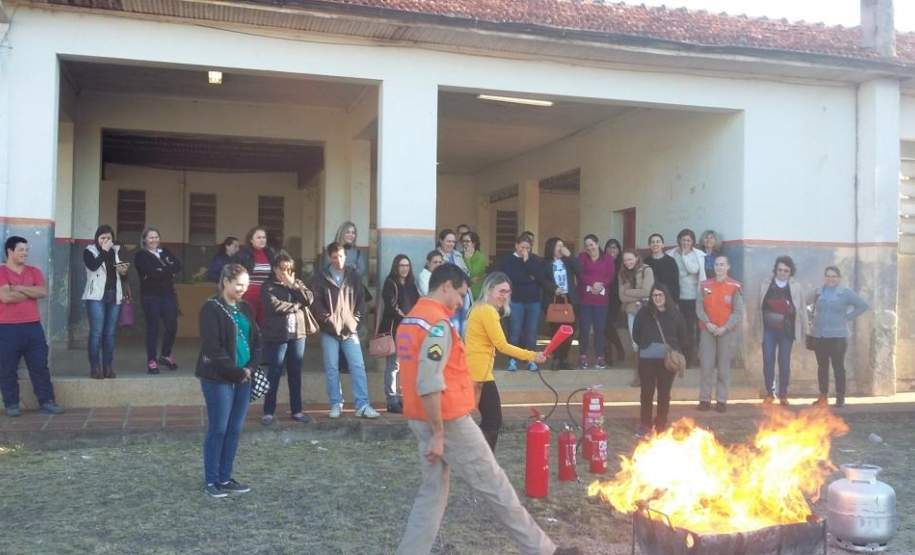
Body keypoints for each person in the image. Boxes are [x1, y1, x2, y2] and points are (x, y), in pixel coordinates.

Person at [395, 264, 563, 555]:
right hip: (446, 422)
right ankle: (544, 551)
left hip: (420, 417)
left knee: (431, 495)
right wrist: (438, 433)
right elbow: (429, 381)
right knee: (497, 487)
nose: (461, 302)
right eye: (460, 295)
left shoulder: (411, 320)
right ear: (445, 286)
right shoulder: (437, 324)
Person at [196, 263, 260, 498]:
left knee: (234, 429)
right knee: (219, 429)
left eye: (246, 285)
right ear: (225, 282)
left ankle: (225, 476)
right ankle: (211, 480)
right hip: (218, 378)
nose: (243, 289)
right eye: (239, 285)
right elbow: (213, 348)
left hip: (244, 377)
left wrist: (250, 368)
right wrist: (236, 372)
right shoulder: (210, 309)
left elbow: (257, 341)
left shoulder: (246, 308)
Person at [467, 272, 546, 450]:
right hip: (479, 374)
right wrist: (532, 355)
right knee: (492, 421)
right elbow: (502, 346)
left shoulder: (481, 308)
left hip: (478, 371)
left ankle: (481, 461)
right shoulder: (487, 310)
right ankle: (483, 463)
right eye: (501, 291)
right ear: (489, 289)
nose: (504, 296)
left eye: (507, 292)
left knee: (487, 421)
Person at [310, 242, 379, 419]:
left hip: (350, 330)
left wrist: (355, 321)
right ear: (329, 258)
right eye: (334, 257)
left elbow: (361, 301)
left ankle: (362, 404)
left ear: (345, 256)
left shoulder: (353, 276)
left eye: (341, 256)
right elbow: (315, 302)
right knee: (332, 367)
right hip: (329, 330)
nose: (338, 260)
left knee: (358, 366)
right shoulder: (320, 277)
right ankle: (335, 403)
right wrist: (327, 319)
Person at [0, 236, 64, 417]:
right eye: (21, 250)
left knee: (40, 366)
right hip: (6, 328)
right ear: (10, 251)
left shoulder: (34, 271)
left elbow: (42, 292)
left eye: (26, 250)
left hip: (33, 326)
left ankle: (47, 401)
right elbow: (5, 298)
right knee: (7, 368)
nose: (25, 253)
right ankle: (12, 404)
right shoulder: (1, 272)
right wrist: (29, 292)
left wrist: (17, 288)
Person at [260, 253, 315, 425]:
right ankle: (268, 411)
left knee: (295, 372)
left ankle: (297, 410)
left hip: (298, 335)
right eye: (282, 269)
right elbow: (273, 305)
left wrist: (293, 286)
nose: (286, 273)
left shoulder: (296, 283)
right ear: (275, 269)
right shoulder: (268, 286)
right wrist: (296, 306)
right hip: (277, 335)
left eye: (289, 269)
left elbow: (309, 299)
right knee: (274, 372)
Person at [808, 266, 869, 408]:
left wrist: (847, 317)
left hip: (838, 337)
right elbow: (805, 304)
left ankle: (840, 397)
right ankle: (823, 397)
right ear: (825, 277)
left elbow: (862, 306)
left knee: (838, 367)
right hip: (819, 335)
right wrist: (810, 316)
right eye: (828, 276)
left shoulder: (845, 293)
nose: (830, 278)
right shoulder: (818, 292)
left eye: (834, 276)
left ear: (839, 278)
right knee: (822, 367)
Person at [631, 284, 687, 436]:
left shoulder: (674, 313)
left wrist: (675, 349)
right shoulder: (644, 313)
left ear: (666, 296)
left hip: (666, 360)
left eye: (660, 295)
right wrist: (645, 344)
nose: (657, 298)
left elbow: (682, 334)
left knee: (664, 393)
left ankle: (661, 423)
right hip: (647, 360)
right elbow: (635, 333)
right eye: (654, 295)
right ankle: (645, 424)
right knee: (646, 393)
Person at [695, 255, 744, 413]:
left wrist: (725, 327)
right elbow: (699, 307)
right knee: (706, 366)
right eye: (716, 264)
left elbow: (738, 312)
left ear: (728, 267)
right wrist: (708, 323)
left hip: (726, 331)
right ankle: (704, 399)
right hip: (707, 330)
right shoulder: (705, 285)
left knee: (723, 368)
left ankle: (721, 400)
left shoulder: (735, 286)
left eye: (722, 264)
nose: (719, 267)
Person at [82, 224, 129, 379]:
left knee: (110, 334)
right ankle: (95, 367)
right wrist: (104, 251)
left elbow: (123, 276)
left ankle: (108, 366)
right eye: (102, 238)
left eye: (108, 238)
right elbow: (93, 266)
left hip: (114, 294)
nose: (105, 241)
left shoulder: (117, 251)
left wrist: (124, 272)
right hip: (96, 296)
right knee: (96, 333)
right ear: (96, 239)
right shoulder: (90, 251)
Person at [758, 255, 807, 405]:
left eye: (786, 270)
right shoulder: (766, 284)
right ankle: (769, 393)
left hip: (787, 330)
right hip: (769, 329)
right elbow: (758, 306)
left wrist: (805, 327)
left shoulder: (797, 287)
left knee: (784, 362)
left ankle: (783, 394)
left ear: (790, 272)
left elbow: (802, 309)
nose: (782, 273)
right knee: (768, 361)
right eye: (780, 270)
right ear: (775, 270)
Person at [134, 226, 181, 374]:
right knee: (153, 328)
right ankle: (152, 360)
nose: (154, 240)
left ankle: (165, 355)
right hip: (150, 296)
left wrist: (161, 271)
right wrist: (168, 271)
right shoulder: (141, 255)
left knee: (172, 325)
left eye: (156, 237)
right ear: (144, 240)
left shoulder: (165, 252)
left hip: (168, 295)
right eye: (151, 237)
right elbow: (151, 273)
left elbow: (178, 266)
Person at [496, 234, 545, 372]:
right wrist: (529, 278)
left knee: (531, 332)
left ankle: (531, 359)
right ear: (516, 245)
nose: (525, 250)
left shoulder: (534, 259)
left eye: (528, 248)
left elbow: (540, 277)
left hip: (533, 301)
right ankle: (512, 360)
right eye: (522, 247)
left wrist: (527, 262)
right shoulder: (508, 259)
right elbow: (511, 277)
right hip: (515, 300)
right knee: (515, 331)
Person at [379, 254, 420, 413]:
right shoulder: (390, 283)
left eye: (407, 266)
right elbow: (391, 306)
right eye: (402, 265)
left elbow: (417, 303)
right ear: (396, 267)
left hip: (410, 330)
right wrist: (405, 317)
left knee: (406, 365)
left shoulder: (411, 284)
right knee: (393, 365)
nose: (404, 269)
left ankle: (403, 398)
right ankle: (392, 400)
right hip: (395, 329)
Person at [576, 234, 615, 369]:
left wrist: (601, 285)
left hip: (601, 300)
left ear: (597, 244)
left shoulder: (608, 258)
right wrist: (592, 284)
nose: (589, 248)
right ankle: (583, 356)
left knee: (600, 329)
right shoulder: (581, 257)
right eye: (587, 245)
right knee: (584, 329)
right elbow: (580, 274)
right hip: (585, 299)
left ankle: (600, 357)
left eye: (592, 244)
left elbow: (610, 276)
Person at [667, 228, 706, 364]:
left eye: (688, 240)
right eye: (683, 240)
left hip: (692, 297)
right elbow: (672, 273)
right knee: (677, 328)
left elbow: (693, 270)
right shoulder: (671, 254)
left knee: (690, 328)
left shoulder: (697, 255)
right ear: (679, 240)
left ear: (692, 242)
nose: (685, 242)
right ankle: (678, 357)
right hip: (676, 296)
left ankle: (690, 358)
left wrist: (684, 256)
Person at [542, 237, 579, 370]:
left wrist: (570, 255)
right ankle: (556, 358)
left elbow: (580, 270)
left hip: (569, 299)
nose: (561, 248)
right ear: (551, 248)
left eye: (562, 245)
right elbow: (542, 280)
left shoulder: (567, 262)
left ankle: (563, 358)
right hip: (553, 300)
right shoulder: (545, 263)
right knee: (556, 331)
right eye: (558, 246)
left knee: (570, 330)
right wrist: (554, 289)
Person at [234, 226, 276, 328]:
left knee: (264, 328)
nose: (262, 240)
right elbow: (236, 275)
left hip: (266, 296)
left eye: (264, 237)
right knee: (248, 326)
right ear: (251, 240)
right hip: (248, 295)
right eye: (259, 237)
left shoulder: (269, 253)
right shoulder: (243, 254)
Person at [618, 249, 655, 354]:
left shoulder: (646, 270)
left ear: (637, 258)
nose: (627, 262)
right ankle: (639, 365)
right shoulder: (622, 273)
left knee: (647, 340)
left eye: (630, 259)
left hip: (646, 310)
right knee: (635, 343)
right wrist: (640, 295)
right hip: (631, 311)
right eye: (625, 260)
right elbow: (622, 297)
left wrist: (628, 291)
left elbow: (647, 292)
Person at [438, 228, 472, 336]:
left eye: (453, 241)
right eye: (448, 241)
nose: (451, 244)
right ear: (441, 241)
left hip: (463, 295)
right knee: (450, 325)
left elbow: (467, 273)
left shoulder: (457, 254)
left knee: (463, 326)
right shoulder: (437, 256)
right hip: (448, 297)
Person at [604, 238, 625, 365]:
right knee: (603, 326)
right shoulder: (602, 262)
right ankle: (610, 353)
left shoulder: (622, 264)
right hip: (602, 297)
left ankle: (615, 349)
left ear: (619, 250)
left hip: (616, 299)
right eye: (610, 247)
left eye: (615, 247)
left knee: (607, 324)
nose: (612, 250)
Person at [643, 233, 680, 302]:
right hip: (651, 299)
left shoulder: (671, 261)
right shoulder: (646, 262)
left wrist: (675, 301)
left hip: (668, 298)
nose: (655, 244)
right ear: (649, 245)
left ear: (663, 245)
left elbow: (675, 283)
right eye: (652, 242)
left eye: (658, 241)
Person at [461, 231, 488, 299]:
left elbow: (472, 273)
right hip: (462, 292)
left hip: (475, 294)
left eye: (467, 241)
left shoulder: (480, 257)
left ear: (474, 243)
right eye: (463, 241)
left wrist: (467, 259)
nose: (464, 243)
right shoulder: (459, 255)